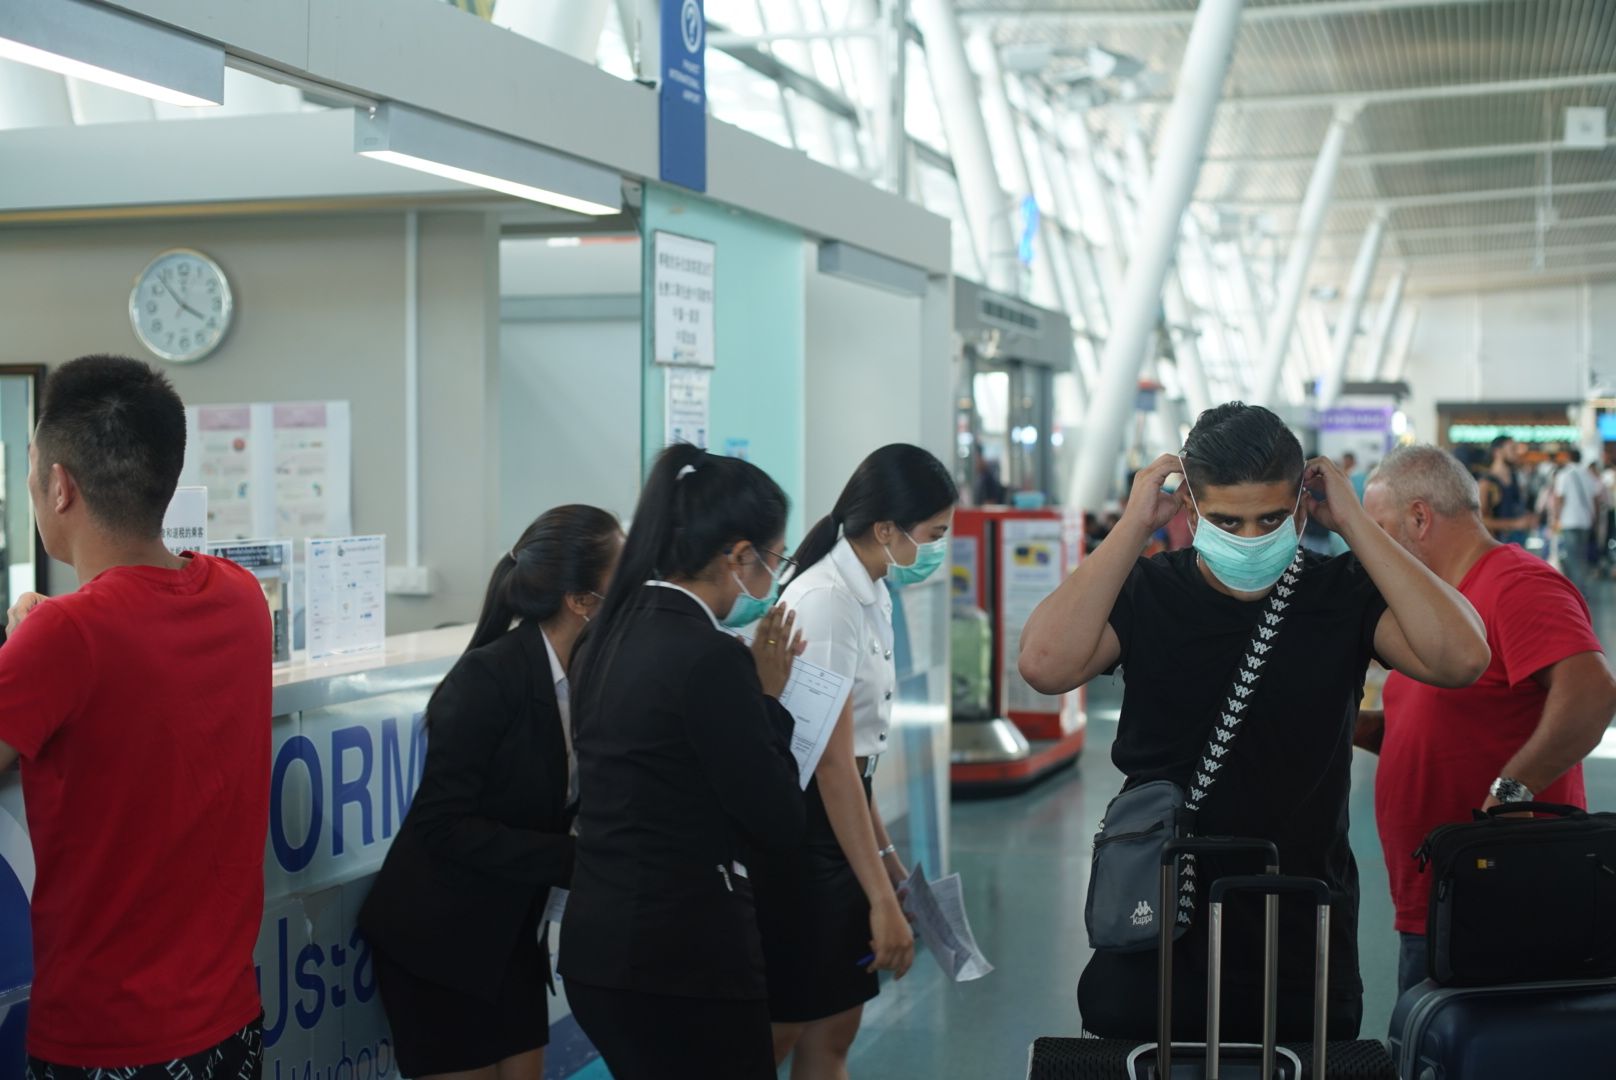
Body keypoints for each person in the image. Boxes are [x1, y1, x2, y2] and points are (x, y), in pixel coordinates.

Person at [1018, 402, 1489, 1043]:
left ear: (1302, 504)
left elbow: (1462, 657)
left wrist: (1353, 521)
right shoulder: (1149, 590)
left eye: (1270, 518)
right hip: (1159, 913)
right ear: (1189, 509)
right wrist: (1132, 525)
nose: (1248, 538)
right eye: (1226, 520)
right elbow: (1045, 664)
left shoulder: (1340, 593)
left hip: (1297, 918)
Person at [0, 356, 271, 1076]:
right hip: (229, 1022)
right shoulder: (242, 599)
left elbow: (94, 645)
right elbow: (140, 633)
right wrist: (44, 624)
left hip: (108, 1041)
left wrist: (35, 635)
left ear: (59, 486)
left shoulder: (64, 641)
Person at [559, 444, 808, 1080]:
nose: (771, 577)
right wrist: (769, 700)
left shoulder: (604, 634)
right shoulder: (710, 657)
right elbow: (774, 815)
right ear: (736, 555)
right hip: (683, 958)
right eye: (773, 558)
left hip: (599, 949)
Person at [357, 505, 623, 1080]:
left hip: (509, 933)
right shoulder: (489, 678)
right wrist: (577, 861)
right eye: (620, 577)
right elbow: (441, 824)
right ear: (581, 600)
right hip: (440, 939)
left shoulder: (590, 678)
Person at [1357, 446, 1616, 995]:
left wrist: (1511, 791)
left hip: (1501, 892)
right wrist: (1346, 728)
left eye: (1377, 529)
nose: (1368, 549)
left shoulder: (1517, 584)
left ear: (1420, 518)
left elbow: (1592, 694)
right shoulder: (1443, 609)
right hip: (1441, 893)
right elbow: (1440, 725)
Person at [758, 444, 957, 1078]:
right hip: (806, 840)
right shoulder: (826, 603)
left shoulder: (867, 593)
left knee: (833, 1030)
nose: (937, 550)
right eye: (934, 535)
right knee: (783, 1028)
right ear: (886, 530)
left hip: (840, 826)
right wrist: (881, 898)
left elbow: (857, 761)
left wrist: (893, 870)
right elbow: (827, 765)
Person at [1551, 449, 1601, 597]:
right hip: (1585, 521)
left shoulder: (1564, 474)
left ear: (1567, 457)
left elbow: (1560, 498)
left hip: (1569, 521)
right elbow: (1595, 499)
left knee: (1572, 558)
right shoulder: (1588, 475)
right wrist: (1595, 519)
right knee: (1582, 556)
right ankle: (1581, 588)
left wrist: (1556, 518)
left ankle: (1577, 592)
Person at [1485, 436, 1534, 545]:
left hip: (1516, 545)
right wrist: (1515, 524)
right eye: (1512, 449)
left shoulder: (1515, 478)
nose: (1516, 453)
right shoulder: (1487, 482)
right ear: (1497, 452)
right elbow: (1480, 521)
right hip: (1497, 547)